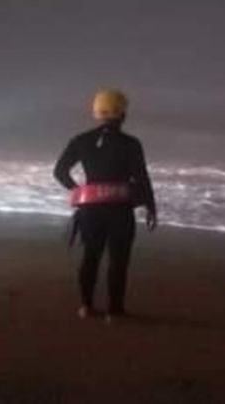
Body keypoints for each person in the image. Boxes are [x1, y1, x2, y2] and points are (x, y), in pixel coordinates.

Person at [53, 89, 157, 323]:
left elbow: (59, 172)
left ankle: (86, 307)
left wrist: (79, 191)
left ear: (97, 113)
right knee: (118, 261)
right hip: (120, 210)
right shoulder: (131, 144)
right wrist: (150, 206)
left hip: (90, 210)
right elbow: (141, 178)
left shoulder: (81, 140)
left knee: (90, 257)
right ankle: (114, 311)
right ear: (122, 114)